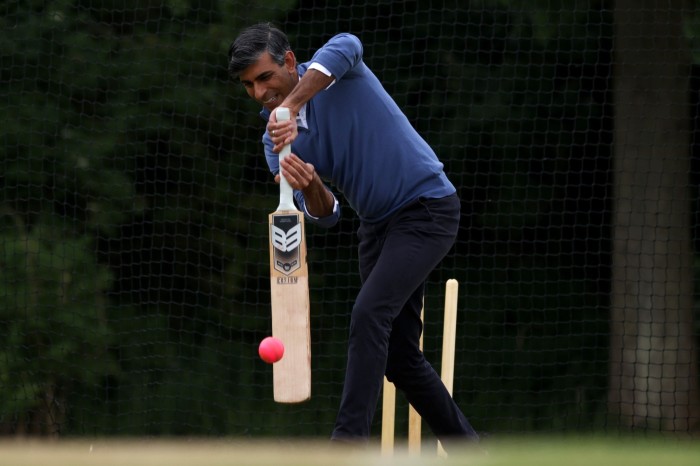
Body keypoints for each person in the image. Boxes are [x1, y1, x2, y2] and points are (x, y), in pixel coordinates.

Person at [228, 22, 479, 448]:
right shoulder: (275, 143)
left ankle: (346, 445)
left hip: (427, 208)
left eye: (265, 77)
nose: (259, 93)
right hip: (377, 227)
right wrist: (309, 184)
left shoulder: (334, 67)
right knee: (398, 358)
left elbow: (350, 43)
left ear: (289, 61)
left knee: (368, 314)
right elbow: (326, 214)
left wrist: (288, 107)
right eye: (249, 85)